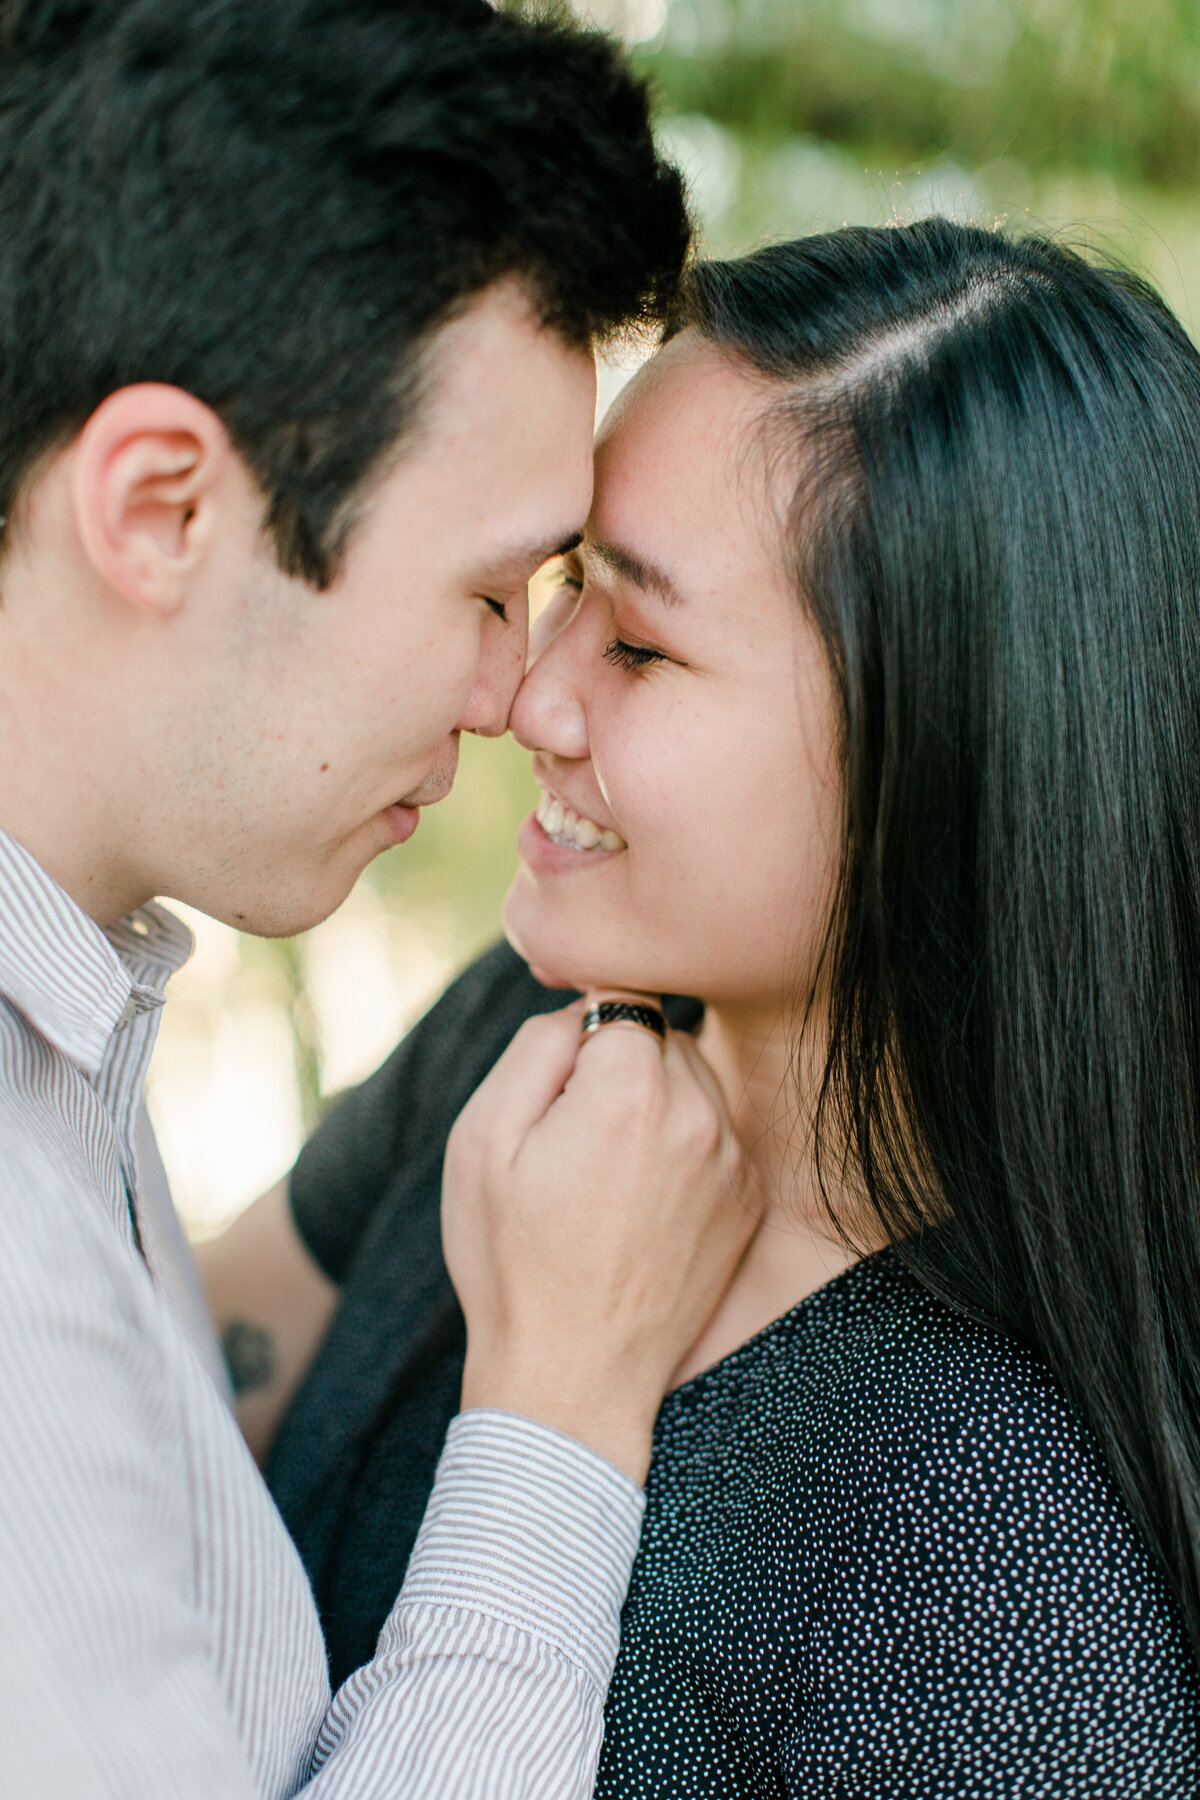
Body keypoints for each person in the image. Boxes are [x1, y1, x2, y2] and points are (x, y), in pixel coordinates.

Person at [206, 219, 1200, 1792]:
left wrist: (557, 1410)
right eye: (560, 588)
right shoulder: (536, 1036)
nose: (529, 696)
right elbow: (171, 1388)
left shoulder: (1010, 1599)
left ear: (946, 763)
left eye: (645, 645)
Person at [0, 3, 759, 1795]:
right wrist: (557, 1421)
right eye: (492, 595)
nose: (519, 699)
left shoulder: (71, 1034)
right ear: (163, 504)